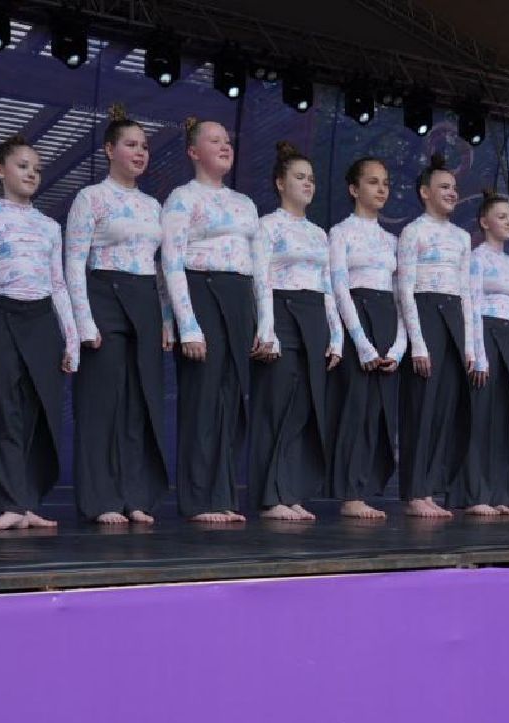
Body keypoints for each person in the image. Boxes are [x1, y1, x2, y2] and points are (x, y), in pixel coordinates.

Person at [0, 135, 76, 531]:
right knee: (2, 409)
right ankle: (7, 502)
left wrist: (71, 336)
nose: (32, 174)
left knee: (36, 410)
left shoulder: (49, 226)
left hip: (41, 318)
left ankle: (27, 502)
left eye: (37, 169)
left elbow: (59, 283)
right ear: (0, 170)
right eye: (23, 166)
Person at [64, 104, 173, 526]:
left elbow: (159, 265)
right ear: (110, 149)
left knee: (139, 402)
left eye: (144, 146)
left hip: (144, 298)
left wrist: (165, 317)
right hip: (103, 294)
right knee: (101, 404)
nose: (140, 153)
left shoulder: (152, 205)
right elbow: (74, 262)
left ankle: (136, 495)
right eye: (131, 144)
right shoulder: (90, 198)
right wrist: (83, 321)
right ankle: (101, 498)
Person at [162, 118, 260, 524]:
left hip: (239, 298)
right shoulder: (182, 198)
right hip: (201, 292)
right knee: (202, 399)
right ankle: (198, 499)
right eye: (213, 140)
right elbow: (170, 261)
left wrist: (263, 323)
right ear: (193, 152)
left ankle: (223, 495)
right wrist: (186, 323)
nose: (224, 145)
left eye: (227, 140)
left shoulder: (245, 203)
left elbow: (258, 267)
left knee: (231, 400)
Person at [251, 142, 342, 522]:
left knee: (304, 409)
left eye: (311, 179)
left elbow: (328, 287)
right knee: (276, 406)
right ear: (279, 183)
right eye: (299, 177)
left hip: (314, 317)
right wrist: (266, 328)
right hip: (281, 314)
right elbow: (261, 278)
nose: (308, 184)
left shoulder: (319, 234)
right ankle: (270, 496)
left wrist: (336, 335)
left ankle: (292, 491)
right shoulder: (266, 226)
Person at [396, 154, 478, 519]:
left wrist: (471, 345)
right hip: (425, 316)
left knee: (445, 409)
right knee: (421, 409)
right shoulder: (413, 231)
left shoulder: (462, 238)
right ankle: (414, 491)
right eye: (444, 187)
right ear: (425, 192)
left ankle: (431, 488)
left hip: (454, 320)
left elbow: (467, 293)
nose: (452, 192)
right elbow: (405, 289)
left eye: (454, 188)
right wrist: (417, 342)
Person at [326, 157, 404, 521]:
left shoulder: (393, 239)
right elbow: (339, 286)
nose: (381, 189)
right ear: (354, 189)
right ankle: (349, 493)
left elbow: (403, 295)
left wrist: (400, 347)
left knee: (380, 413)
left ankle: (368, 486)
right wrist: (361, 343)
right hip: (357, 319)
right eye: (373, 182)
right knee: (355, 408)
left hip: (388, 320)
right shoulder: (341, 232)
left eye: (385, 182)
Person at [463, 193, 509, 515]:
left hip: (507, 337)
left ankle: (500, 494)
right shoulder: (476, 258)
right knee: (481, 417)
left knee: (504, 418)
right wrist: (479, 354)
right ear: (484, 221)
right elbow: (472, 305)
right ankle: (477, 493)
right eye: (501, 216)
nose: (508, 222)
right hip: (485, 336)